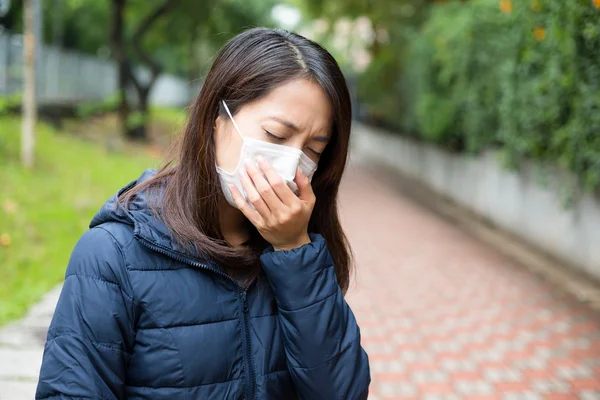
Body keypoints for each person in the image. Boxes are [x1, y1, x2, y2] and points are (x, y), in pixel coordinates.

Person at [36, 27, 371, 400]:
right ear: (217, 119)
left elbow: (342, 393)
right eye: (276, 136)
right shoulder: (112, 255)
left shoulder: (303, 255)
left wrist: (294, 250)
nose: (291, 164)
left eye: (313, 148)